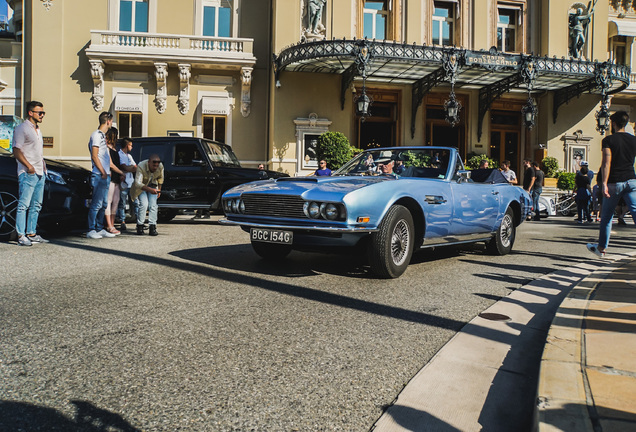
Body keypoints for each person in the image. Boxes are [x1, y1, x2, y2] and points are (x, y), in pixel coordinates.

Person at [587, 111, 636, 258]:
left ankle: (601, 248)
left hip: (614, 182)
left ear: (613, 123)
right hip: (631, 180)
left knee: (607, 217)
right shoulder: (634, 140)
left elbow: (606, 163)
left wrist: (604, 183)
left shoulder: (608, 140)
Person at [12, 101, 49, 246]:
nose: (42, 115)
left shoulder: (38, 130)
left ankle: (31, 233)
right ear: (30, 113)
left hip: (40, 172)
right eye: (39, 113)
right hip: (28, 172)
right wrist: (29, 166)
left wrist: (43, 169)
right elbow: (16, 150)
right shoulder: (22, 128)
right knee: (23, 205)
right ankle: (21, 235)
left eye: (43, 113)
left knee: (36, 205)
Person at [87, 112, 116, 240]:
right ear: (108, 121)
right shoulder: (96, 135)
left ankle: (99, 228)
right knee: (96, 204)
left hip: (105, 175)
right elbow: (94, 155)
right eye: (111, 121)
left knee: (104, 204)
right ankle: (91, 229)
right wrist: (103, 171)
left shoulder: (102, 136)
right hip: (99, 175)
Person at [131, 155, 164, 236]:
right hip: (141, 187)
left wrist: (159, 190)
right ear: (149, 163)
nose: (155, 167)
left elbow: (160, 179)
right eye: (153, 165)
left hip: (153, 185)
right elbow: (138, 183)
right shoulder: (141, 166)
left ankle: (152, 227)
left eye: (157, 165)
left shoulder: (160, 166)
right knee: (144, 204)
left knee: (153, 205)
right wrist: (150, 190)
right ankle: (140, 226)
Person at [104, 128, 125, 235]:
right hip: (111, 177)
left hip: (116, 178)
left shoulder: (114, 149)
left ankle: (111, 224)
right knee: (109, 201)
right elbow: (111, 164)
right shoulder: (107, 149)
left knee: (115, 201)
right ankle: (109, 225)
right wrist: (121, 172)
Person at [117, 137, 137, 231]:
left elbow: (135, 167)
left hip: (131, 183)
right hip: (124, 183)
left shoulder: (129, 156)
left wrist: (129, 168)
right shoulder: (119, 155)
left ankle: (139, 222)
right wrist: (129, 168)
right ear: (126, 145)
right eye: (131, 145)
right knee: (122, 203)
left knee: (136, 202)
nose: (132, 147)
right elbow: (124, 167)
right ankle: (122, 221)